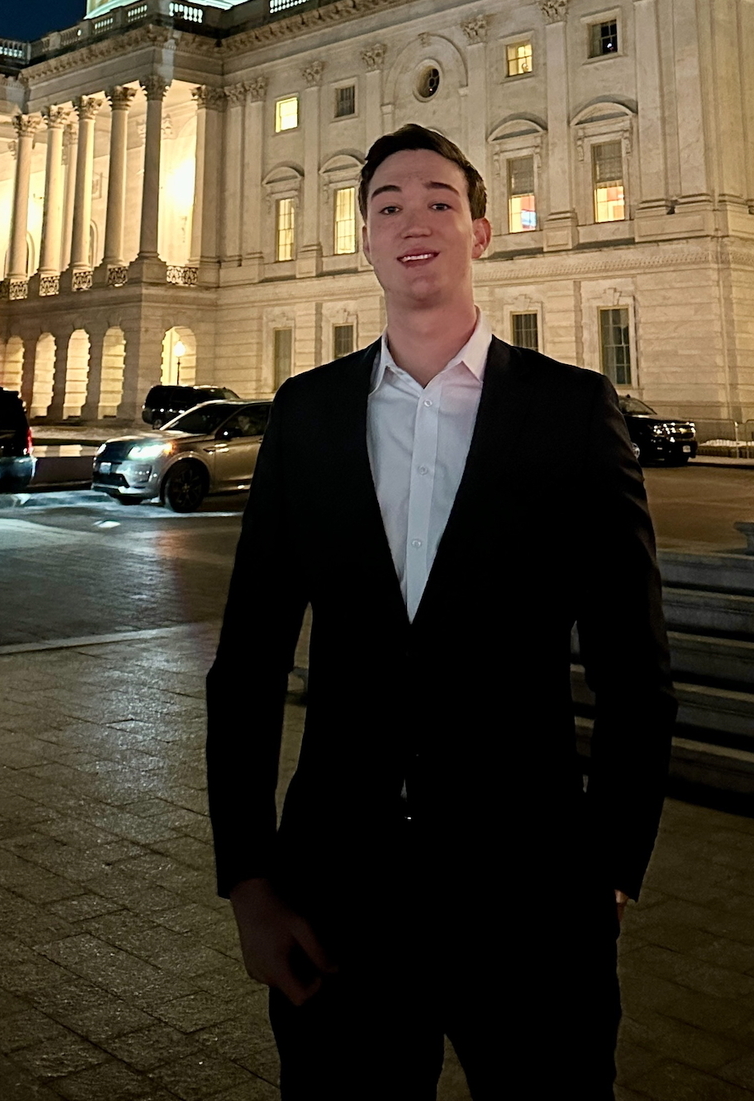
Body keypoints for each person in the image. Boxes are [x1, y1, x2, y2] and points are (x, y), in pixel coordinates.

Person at [206, 123, 674, 1098]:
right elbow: (249, 660)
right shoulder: (307, 413)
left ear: (483, 231)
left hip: (533, 888)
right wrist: (248, 877)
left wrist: (611, 871)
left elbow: (635, 668)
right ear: (364, 240)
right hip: (336, 890)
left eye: (437, 202)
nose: (411, 221)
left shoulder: (573, 410)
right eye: (386, 206)